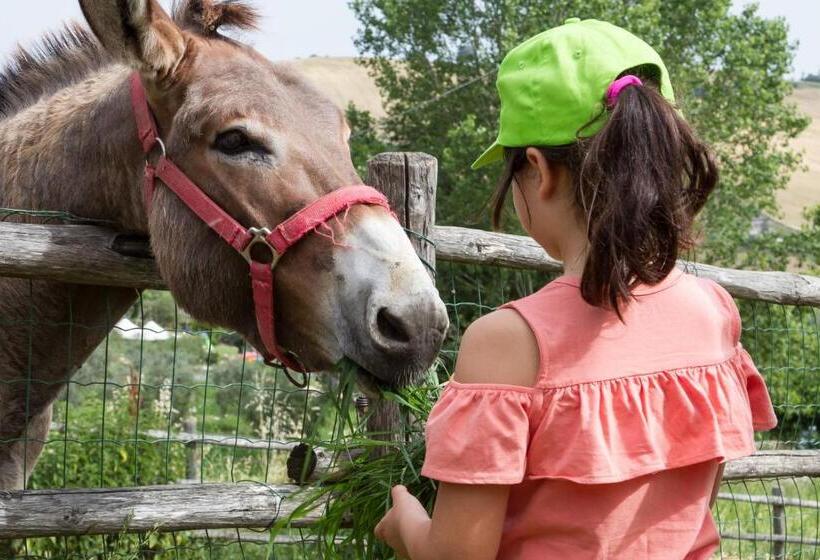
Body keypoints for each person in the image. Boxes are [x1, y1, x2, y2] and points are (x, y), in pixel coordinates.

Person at [374, 17, 777, 560]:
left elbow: (457, 555)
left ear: (537, 170)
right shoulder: (713, 312)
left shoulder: (507, 341)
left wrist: (408, 523)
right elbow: (693, 498)